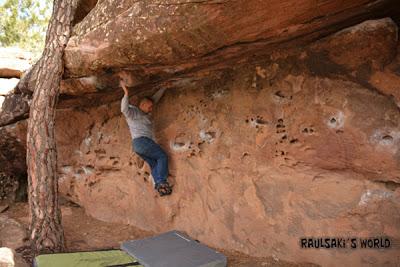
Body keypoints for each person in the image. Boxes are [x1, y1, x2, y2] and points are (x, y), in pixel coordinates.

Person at [119, 72, 172, 196]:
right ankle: (161, 181)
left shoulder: (145, 113)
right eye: (149, 107)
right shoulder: (133, 113)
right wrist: (126, 93)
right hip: (142, 141)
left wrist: (164, 88)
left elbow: (154, 99)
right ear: (142, 105)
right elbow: (123, 109)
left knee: (154, 163)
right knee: (162, 156)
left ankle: (158, 185)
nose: (151, 109)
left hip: (139, 146)